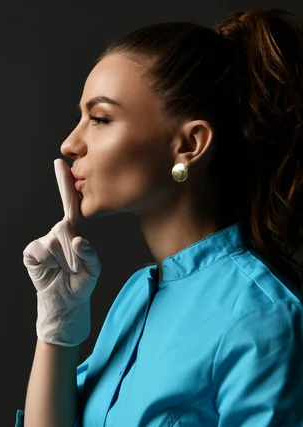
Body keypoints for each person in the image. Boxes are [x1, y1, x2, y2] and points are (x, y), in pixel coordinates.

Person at [15, 8, 303, 427]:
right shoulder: (135, 296)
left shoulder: (265, 319)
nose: (70, 143)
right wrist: (57, 330)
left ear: (189, 144)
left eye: (99, 119)